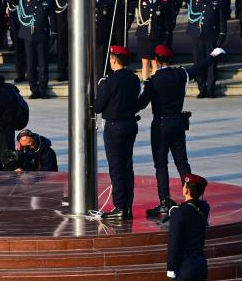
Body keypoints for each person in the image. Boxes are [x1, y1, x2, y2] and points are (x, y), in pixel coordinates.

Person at [137, 44, 226, 216]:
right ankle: (192, 198)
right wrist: (212, 56)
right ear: (170, 59)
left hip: (161, 125)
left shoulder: (153, 81)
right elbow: (198, 69)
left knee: (161, 165)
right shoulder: (180, 74)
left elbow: (141, 104)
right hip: (177, 122)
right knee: (182, 162)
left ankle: (164, 201)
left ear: (155, 60)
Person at [92, 45, 141, 219]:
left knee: (117, 168)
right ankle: (127, 206)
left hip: (114, 127)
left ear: (113, 59)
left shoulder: (109, 81)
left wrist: (101, 89)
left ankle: (120, 206)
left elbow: (97, 107)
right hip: (130, 125)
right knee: (128, 167)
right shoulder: (134, 79)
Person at [166, 173, 210, 281]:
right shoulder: (205, 207)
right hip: (200, 261)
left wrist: (171, 267)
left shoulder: (179, 213)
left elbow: (174, 243)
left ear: (186, 189)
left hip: (184, 264)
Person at [11, 0, 56, 99]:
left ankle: (42, 88)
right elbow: (10, 0)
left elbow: (52, 18)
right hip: (28, 35)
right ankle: (33, 88)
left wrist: (54, 32)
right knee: (30, 63)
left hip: (42, 34)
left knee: (42, 62)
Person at [185, 0, 227, 98]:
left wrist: (222, 34)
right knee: (198, 62)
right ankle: (202, 88)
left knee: (211, 62)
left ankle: (210, 89)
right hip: (197, 35)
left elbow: (222, 18)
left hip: (211, 35)